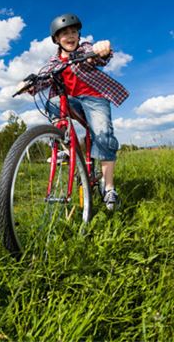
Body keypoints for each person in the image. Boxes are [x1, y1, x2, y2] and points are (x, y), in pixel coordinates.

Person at [33, 13, 129, 210]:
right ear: (56, 40)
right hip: (71, 101)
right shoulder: (53, 62)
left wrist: (102, 48)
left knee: (102, 134)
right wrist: (29, 84)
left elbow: (100, 56)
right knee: (51, 102)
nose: (70, 36)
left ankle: (109, 188)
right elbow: (42, 79)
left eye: (73, 32)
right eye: (64, 34)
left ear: (78, 35)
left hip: (95, 99)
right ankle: (67, 149)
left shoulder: (85, 49)